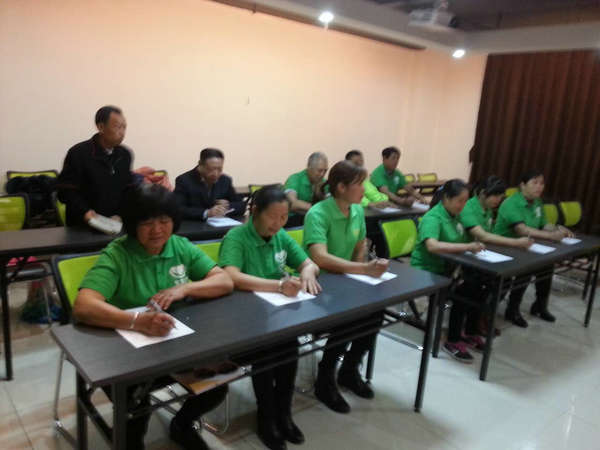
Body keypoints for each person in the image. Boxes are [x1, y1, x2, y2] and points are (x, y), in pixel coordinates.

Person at [73, 184, 233, 450]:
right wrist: (137, 321)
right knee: (135, 408)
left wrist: (184, 288)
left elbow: (224, 281)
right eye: (147, 223)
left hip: (175, 345)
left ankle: (182, 425)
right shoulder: (118, 254)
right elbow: (84, 306)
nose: (157, 230)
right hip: (126, 353)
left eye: (164, 221)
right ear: (133, 224)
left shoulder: (179, 246)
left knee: (216, 385)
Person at [219, 186, 321, 450]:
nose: (278, 223)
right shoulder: (237, 237)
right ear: (255, 212)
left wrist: (308, 271)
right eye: (272, 217)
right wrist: (277, 286)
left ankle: (283, 412)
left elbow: (308, 263)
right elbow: (231, 276)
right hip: (243, 319)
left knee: (289, 345)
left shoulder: (280, 235)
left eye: (284, 217)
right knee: (266, 352)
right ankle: (266, 415)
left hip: (276, 313)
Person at [303, 160, 389, 413]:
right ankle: (325, 377)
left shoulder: (357, 210)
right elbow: (320, 257)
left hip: (348, 280)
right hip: (320, 285)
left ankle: (349, 369)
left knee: (375, 312)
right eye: (359, 184)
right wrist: (362, 270)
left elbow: (360, 244)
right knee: (349, 317)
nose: (364, 189)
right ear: (341, 187)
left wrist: (361, 271)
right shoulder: (318, 213)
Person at [411, 179, 486, 363]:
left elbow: (464, 240)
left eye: (466, 201)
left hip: (447, 269)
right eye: (460, 201)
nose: (463, 205)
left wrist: (474, 245)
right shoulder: (433, 217)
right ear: (446, 198)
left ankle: (468, 331)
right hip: (427, 271)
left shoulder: (455, 217)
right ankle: (452, 340)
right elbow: (432, 246)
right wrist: (467, 247)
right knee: (464, 292)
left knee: (479, 285)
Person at [494, 170, 573, 327]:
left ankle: (540, 306)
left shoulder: (537, 202)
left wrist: (558, 229)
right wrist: (552, 236)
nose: (539, 187)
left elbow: (543, 224)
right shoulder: (511, 203)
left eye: (542, 183)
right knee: (528, 268)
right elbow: (521, 230)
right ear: (522, 185)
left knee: (547, 264)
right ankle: (512, 309)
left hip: (526, 246)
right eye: (535, 183)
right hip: (505, 246)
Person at [57, 105, 134, 226]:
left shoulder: (125, 155)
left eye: (124, 127)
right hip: (82, 225)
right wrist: (85, 212)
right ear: (101, 127)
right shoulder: (78, 153)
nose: (122, 132)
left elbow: (127, 191)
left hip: (115, 224)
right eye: (118, 127)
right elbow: (65, 191)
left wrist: (120, 214)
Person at [174, 148, 245, 220]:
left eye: (219, 169)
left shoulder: (225, 180)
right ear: (200, 164)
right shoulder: (184, 180)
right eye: (211, 169)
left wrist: (227, 206)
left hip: (220, 223)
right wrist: (206, 213)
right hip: (194, 224)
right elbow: (178, 209)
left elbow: (241, 205)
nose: (216, 174)